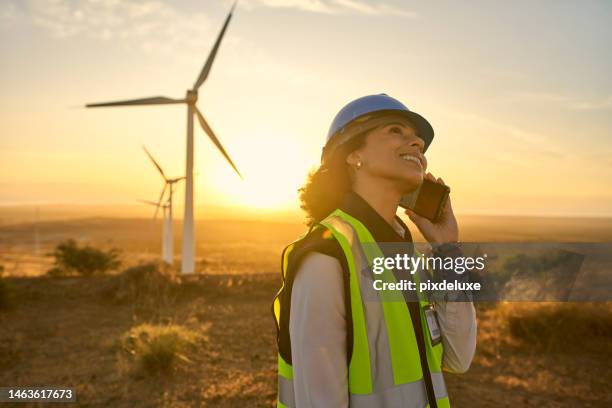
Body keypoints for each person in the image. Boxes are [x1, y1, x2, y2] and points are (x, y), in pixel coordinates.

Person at [272, 94, 477, 408]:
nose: (417, 143)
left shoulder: (406, 256)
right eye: (396, 131)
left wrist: (448, 249)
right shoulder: (327, 257)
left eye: (418, 140)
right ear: (353, 154)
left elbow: (459, 357)